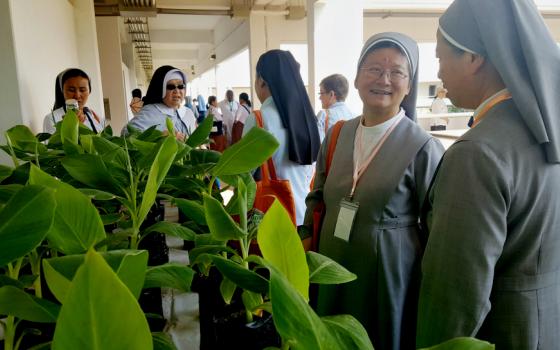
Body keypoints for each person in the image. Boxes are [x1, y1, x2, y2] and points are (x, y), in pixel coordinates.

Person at [416, 1, 560, 349]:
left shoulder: (477, 153)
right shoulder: (545, 132)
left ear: (473, 58)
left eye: (440, 57)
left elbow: (456, 298)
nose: (440, 74)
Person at [304, 33, 444, 350]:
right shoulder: (339, 133)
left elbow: (437, 226)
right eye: (373, 69)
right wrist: (306, 240)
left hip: (389, 273)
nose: (384, 79)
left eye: (397, 72)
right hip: (331, 259)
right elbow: (317, 195)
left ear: (409, 85)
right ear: (356, 78)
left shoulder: (423, 146)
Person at [244, 50, 320, 226]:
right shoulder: (310, 119)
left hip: (271, 217)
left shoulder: (259, 119)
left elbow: (243, 174)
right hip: (303, 216)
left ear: (261, 80)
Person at [124, 65, 196, 139]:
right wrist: (159, 136)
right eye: (170, 87)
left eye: (181, 86)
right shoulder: (150, 112)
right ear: (160, 89)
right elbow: (126, 134)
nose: (177, 91)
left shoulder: (188, 112)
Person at [43, 68, 105, 134]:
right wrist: (71, 127)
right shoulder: (52, 119)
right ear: (62, 91)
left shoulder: (95, 116)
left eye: (82, 90)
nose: (77, 95)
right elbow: (52, 144)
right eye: (71, 90)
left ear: (89, 91)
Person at [316, 74, 353, 141]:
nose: (320, 98)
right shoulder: (354, 116)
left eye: (321, 93)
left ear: (331, 94)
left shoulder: (323, 115)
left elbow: (318, 147)